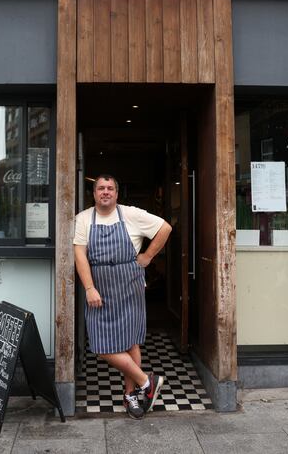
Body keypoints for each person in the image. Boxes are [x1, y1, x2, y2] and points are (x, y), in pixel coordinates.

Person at [74, 174, 173, 419]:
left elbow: (165, 228)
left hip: (130, 285)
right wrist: (89, 288)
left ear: (117, 194)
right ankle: (147, 382)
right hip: (99, 290)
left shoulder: (131, 214)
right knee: (101, 345)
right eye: (100, 188)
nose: (105, 192)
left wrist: (148, 257)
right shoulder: (83, 219)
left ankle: (131, 396)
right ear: (94, 193)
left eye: (110, 188)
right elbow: (80, 256)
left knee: (130, 343)